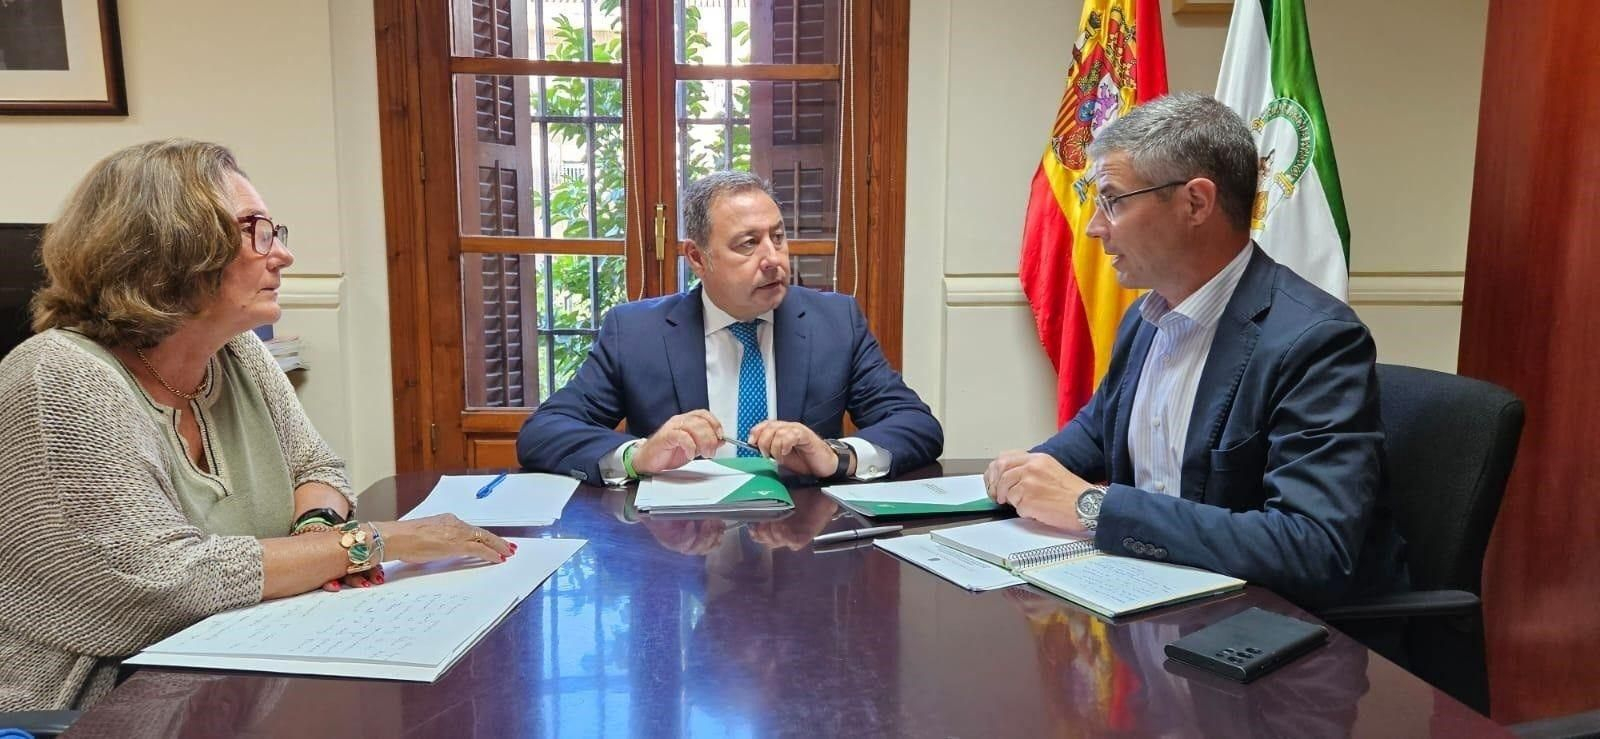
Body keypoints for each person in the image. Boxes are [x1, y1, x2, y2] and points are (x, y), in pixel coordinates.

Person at [0, 140, 516, 711]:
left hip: (234, 666)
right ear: (170, 247)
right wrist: (367, 543)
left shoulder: (237, 350)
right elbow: (160, 583)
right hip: (85, 701)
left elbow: (316, 469)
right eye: (256, 232)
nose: (283, 255)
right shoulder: (60, 378)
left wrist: (318, 531)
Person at [983, 93, 1406, 609]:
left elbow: (1313, 546)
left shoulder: (1315, 340)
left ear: (1196, 203)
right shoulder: (1144, 320)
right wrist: (1025, 474)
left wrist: (1093, 507)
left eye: (1113, 201)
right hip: (1150, 601)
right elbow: (1096, 433)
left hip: (1267, 626)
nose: (1094, 227)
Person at [518, 171, 942, 484]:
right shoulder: (636, 332)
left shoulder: (835, 322)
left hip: (802, 543)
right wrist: (637, 456)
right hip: (678, 544)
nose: (773, 258)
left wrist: (837, 456)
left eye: (778, 237)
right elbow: (544, 432)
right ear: (697, 258)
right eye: (748, 243)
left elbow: (915, 424)